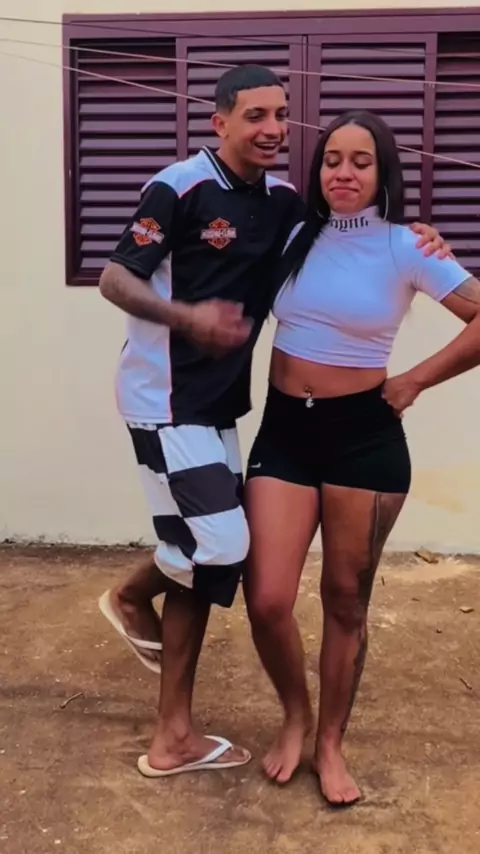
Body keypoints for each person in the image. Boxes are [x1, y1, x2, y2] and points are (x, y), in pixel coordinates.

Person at [97, 61, 448, 778]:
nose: (272, 128)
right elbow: (114, 277)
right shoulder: (179, 185)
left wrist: (419, 238)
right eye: (255, 115)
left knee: (207, 565)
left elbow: (353, 231)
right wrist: (186, 317)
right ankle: (131, 595)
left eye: (282, 115)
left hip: (225, 407)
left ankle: (174, 737)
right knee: (222, 548)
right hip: (166, 399)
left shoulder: (287, 205)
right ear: (219, 120)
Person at [243, 109, 480, 807]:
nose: (343, 173)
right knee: (267, 598)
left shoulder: (408, 246)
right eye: (332, 160)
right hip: (285, 433)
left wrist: (414, 380)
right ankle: (295, 714)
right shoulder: (293, 231)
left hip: (364, 439)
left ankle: (329, 743)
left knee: (345, 600)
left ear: (383, 173)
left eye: (360, 161)